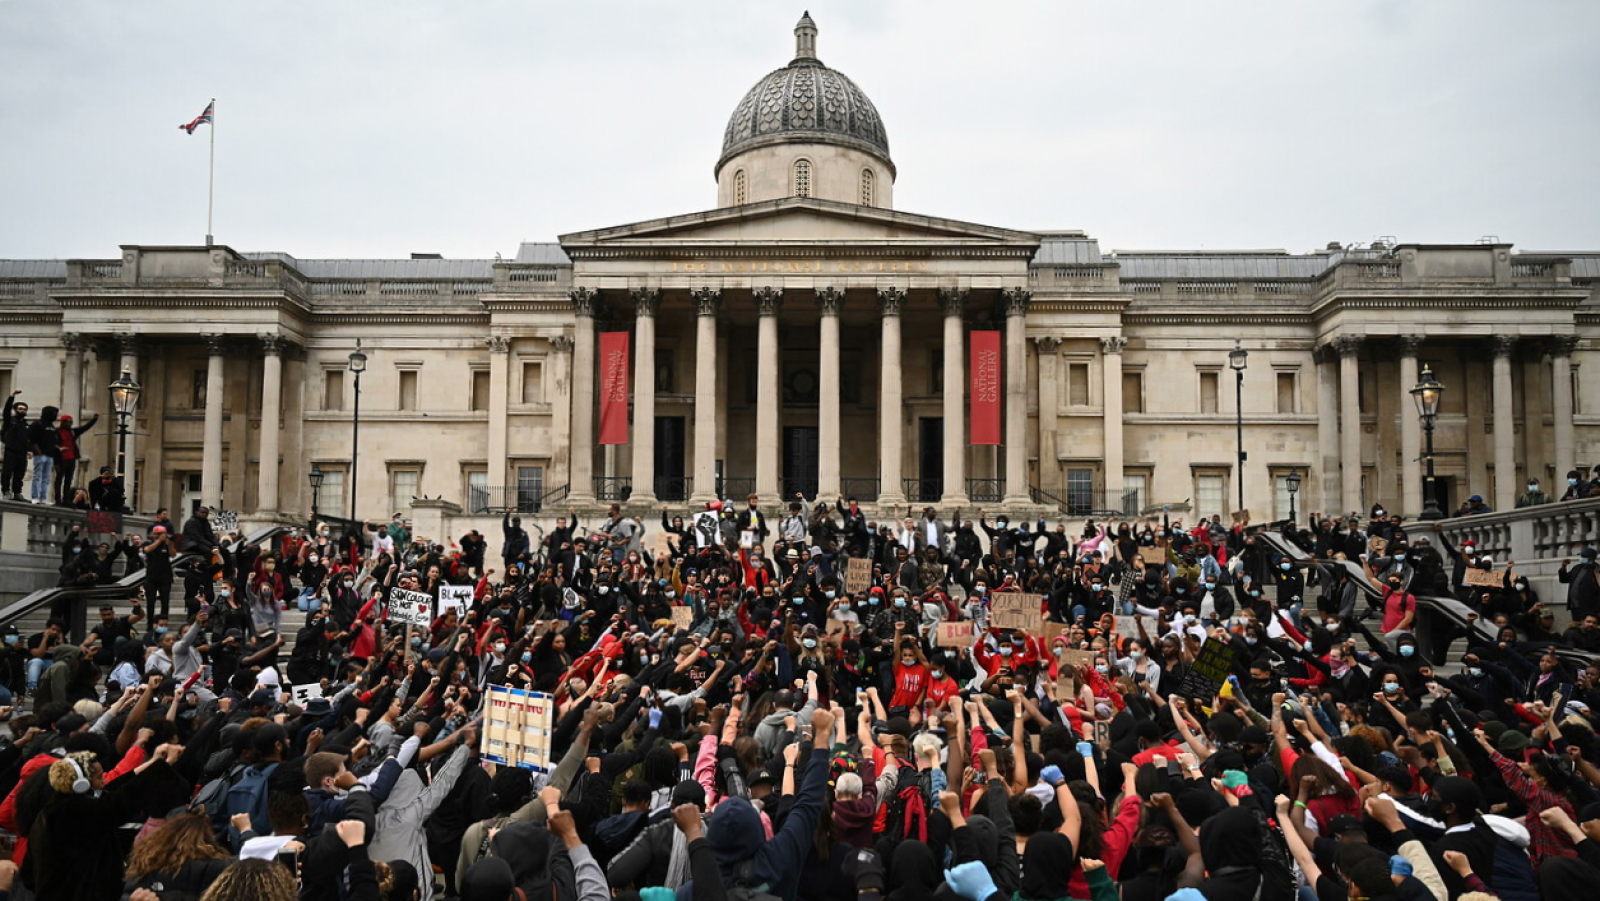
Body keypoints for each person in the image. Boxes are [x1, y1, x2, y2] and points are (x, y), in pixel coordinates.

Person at [50, 410, 97, 505]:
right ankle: (57, 499)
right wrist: (57, 454)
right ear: (63, 422)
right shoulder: (56, 432)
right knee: (59, 480)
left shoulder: (72, 432)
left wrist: (93, 420)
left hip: (71, 459)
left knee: (68, 480)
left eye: (70, 422)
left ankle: (66, 500)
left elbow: (84, 428)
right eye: (67, 422)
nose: (69, 424)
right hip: (61, 459)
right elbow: (51, 444)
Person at [24, 404, 58, 504]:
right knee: (37, 476)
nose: (55, 415)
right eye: (53, 413)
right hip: (40, 455)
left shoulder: (52, 426)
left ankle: (43, 498)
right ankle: (35, 497)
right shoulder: (37, 424)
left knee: (46, 479)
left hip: (50, 456)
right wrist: (38, 452)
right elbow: (30, 439)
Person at [0, 391, 29, 501]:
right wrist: (12, 396)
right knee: (7, 472)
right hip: (10, 451)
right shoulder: (10, 420)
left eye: (24, 409)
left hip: (22, 453)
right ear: (16, 410)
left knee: (19, 474)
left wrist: (29, 450)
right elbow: (6, 410)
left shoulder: (26, 424)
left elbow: (28, 440)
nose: (22, 411)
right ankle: (6, 491)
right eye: (20, 409)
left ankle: (17, 493)